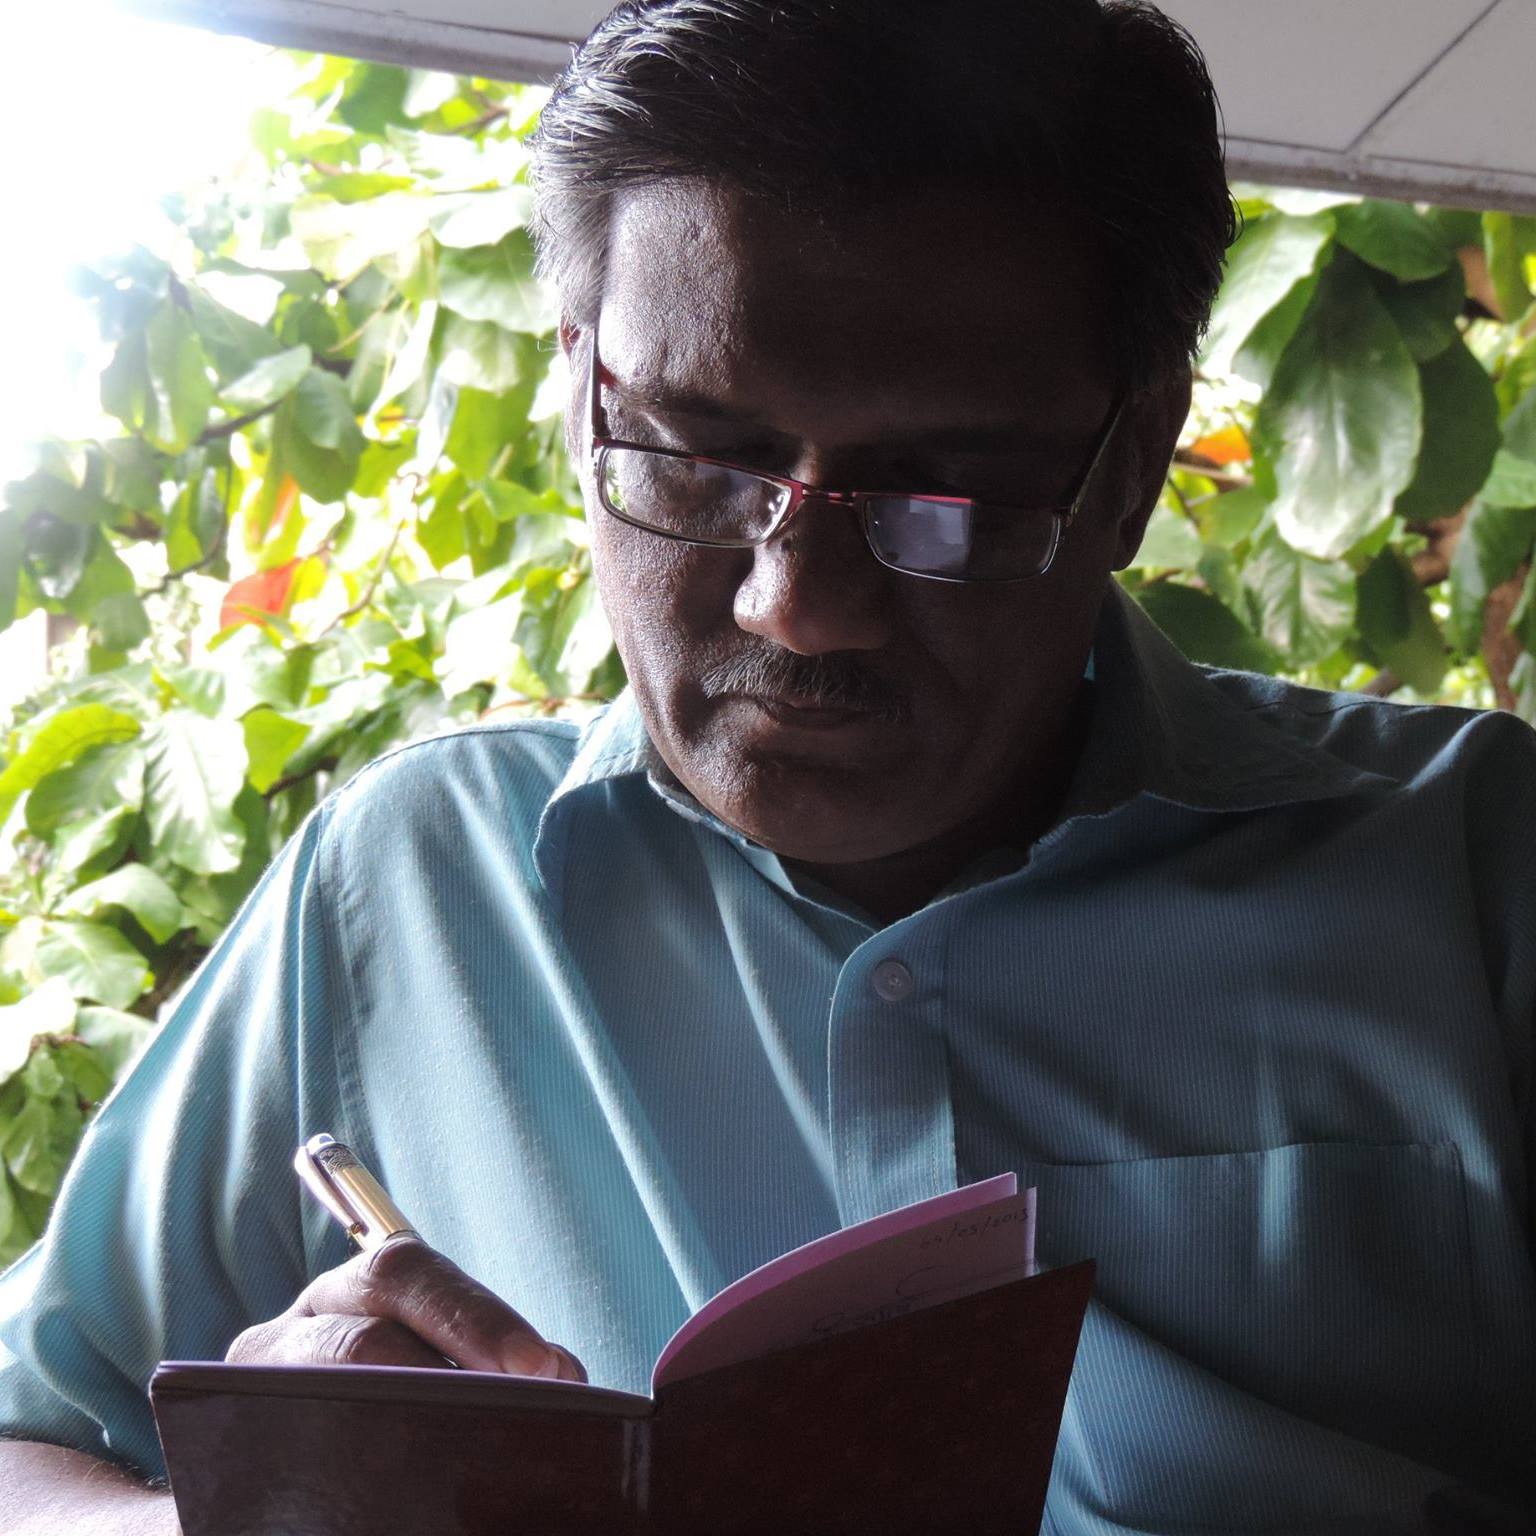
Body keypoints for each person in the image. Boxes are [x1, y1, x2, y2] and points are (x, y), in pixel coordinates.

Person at [3, 1, 1535, 1531]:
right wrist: (211, 1520)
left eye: (945, 492)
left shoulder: (1478, 875)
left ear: (1132, 467)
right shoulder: (404, 887)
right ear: (576, 394)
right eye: (694, 455)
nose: (796, 604)